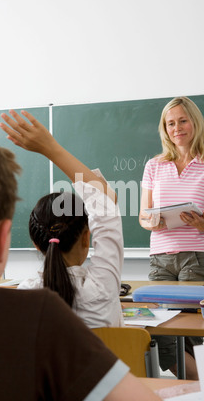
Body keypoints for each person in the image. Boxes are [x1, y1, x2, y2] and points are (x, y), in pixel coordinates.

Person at [0, 122, 193, 401]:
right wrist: (50, 148)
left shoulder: (25, 301)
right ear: (3, 240)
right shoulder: (35, 314)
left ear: (30, 241)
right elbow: (105, 204)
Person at [139, 97, 204, 380]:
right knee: (162, 336)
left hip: (198, 258)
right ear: (164, 128)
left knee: (189, 336)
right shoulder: (154, 165)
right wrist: (151, 221)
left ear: (194, 122)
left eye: (182, 120)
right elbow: (143, 217)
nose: (177, 127)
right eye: (170, 123)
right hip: (160, 260)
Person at [12, 118, 123, 329]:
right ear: (86, 237)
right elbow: (105, 202)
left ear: (37, 244)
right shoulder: (102, 287)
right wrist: (51, 149)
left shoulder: (26, 295)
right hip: (106, 364)